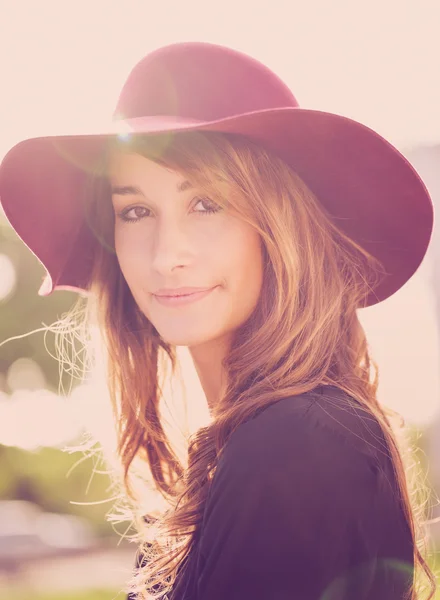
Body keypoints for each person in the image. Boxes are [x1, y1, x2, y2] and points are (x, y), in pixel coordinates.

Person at [0, 41, 437, 600]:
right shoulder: (246, 451)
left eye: (206, 204)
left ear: (278, 227)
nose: (165, 255)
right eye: (135, 211)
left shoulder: (296, 444)